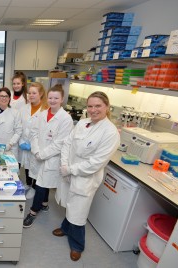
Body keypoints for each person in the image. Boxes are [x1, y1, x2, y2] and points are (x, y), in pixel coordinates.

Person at [52, 91, 120, 262]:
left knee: (78, 212)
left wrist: (71, 169)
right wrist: (65, 165)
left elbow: (96, 163)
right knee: (69, 203)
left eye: (98, 106)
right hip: (70, 171)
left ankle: (77, 245)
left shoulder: (110, 133)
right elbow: (68, 143)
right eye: (90, 106)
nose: (93, 110)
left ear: (107, 107)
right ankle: (66, 228)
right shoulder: (83, 123)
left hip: (85, 178)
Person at [22, 84, 73, 228]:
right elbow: (34, 133)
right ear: (47, 98)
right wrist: (37, 151)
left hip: (51, 157)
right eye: (50, 97)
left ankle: (33, 212)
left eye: (56, 98)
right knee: (40, 181)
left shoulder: (65, 119)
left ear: (62, 99)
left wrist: (42, 154)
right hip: (38, 154)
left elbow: (60, 143)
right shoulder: (43, 113)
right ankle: (44, 204)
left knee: (40, 185)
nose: (52, 100)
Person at [17, 82, 48, 200]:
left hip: (37, 145)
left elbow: (44, 131)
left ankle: (34, 187)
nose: (31, 95)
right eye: (29, 93)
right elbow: (19, 125)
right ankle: (28, 184)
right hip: (24, 143)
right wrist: (21, 141)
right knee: (26, 165)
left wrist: (34, 145)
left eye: (34, 93)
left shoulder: (45, 110)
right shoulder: (24, 108)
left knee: (35, 167)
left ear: (40, 94)